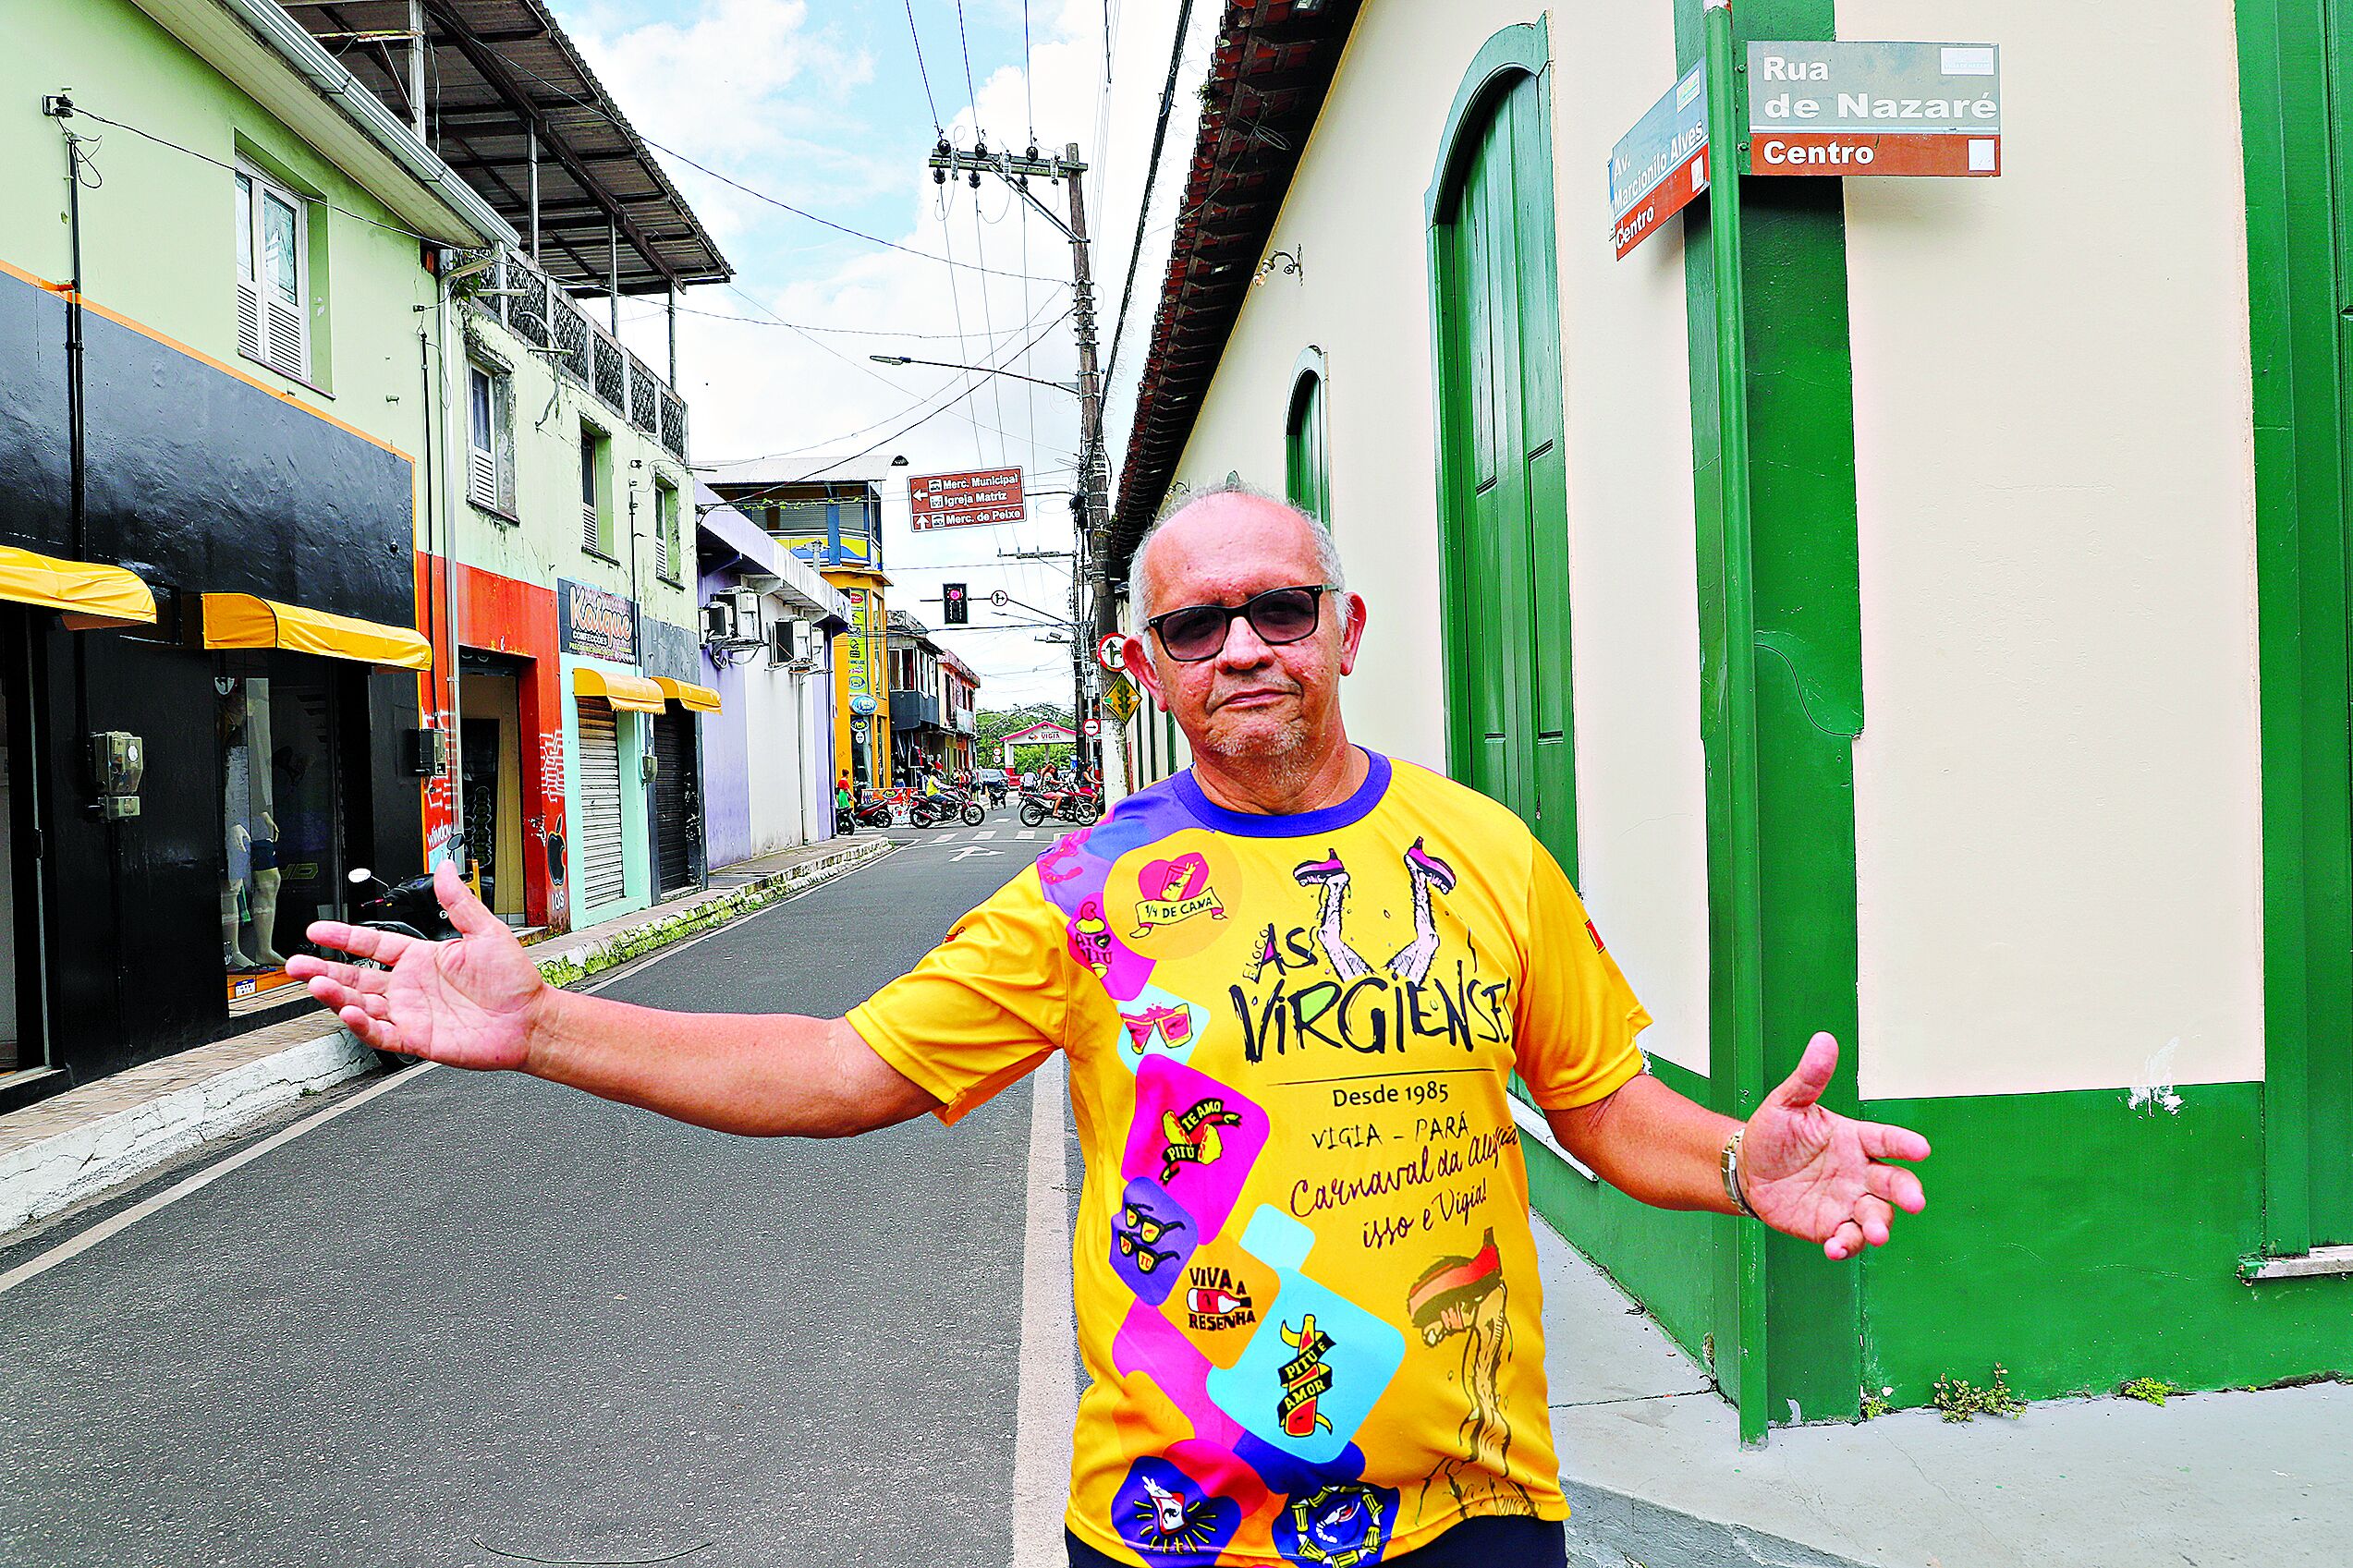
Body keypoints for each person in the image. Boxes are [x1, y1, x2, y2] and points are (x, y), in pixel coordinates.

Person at [291, 483, 1929, 1568]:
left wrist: (1738, 1163)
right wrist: (552, 1026)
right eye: (1193, 626)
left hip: (1475, 1509)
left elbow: (1600, 1105)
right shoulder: (1081, 892)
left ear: (1345, 629)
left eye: (1280, 608)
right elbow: (848, 1066)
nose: (1243, 649)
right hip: (1175, 1528)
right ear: (1137, 664)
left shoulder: (1483, 851)